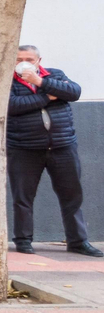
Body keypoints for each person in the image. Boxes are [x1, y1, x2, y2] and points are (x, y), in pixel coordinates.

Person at [8, 45, 98, 257]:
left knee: (72, 195)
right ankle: (23, 241)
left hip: (62, 146)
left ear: (39, 60)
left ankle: (78, 241)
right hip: (24, 147)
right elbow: (12, 105)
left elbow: (73, 92)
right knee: (23, 197)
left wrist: (40, 82)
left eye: (29, 59)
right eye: (19, 59)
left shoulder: (55, 75)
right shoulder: (7, 81)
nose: (24, 62)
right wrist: (48, 97)